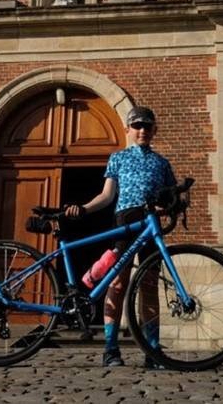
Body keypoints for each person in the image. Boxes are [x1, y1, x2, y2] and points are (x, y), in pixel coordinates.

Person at [65, 105, 176, 368]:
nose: (142, 131)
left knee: (149, 286)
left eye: (147, 126)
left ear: (154, 130)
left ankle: (152, 349)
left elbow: (172, 197)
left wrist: (169, 206)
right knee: (117, 283)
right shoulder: (118, 158)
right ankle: (111, 348)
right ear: (127, 129)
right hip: (125, 219)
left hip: (151, 223)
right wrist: (84, 209)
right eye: (137, 126)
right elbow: (107, 196)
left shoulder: (162, 163)